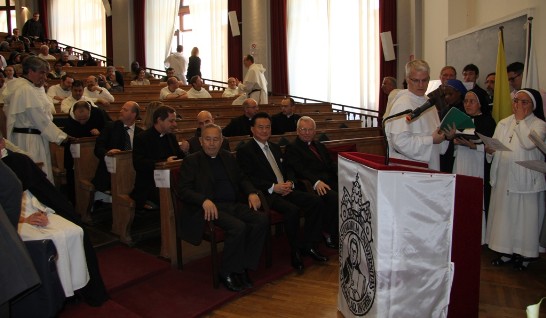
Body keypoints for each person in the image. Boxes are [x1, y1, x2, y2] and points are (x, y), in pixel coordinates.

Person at [1, 135, 109, 306]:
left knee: (75, 231)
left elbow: (39, 193)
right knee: (54, 238)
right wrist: (24, 219)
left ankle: (76, 287)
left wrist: (42, 210)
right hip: (12, 221)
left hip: (35, 209)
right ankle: (59, 293)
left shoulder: (18, 161)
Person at [178, 123, 268, 291]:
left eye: (216, 139)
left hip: (232, 205)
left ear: (221, 141)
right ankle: (226, 271)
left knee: (261, 219)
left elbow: (242, 178)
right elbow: (183, 190)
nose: (212, 143)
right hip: (210, 208)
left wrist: (251, 193)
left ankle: (242, 267)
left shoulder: (227, 157)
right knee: (238, 227)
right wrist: (203, 200)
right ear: (201, 141)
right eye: (208, 139)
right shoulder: (191, 161)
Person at [236, 112, 327, 273]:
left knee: (316, 201)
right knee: (292, 210)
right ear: (252, 129)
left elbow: (288, 169)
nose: (265, 131)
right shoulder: (245, 150)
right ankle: (295, 251)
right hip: (267, 194)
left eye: (268, 127)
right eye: (261, 127)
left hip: (285, 189)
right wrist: (273, 187)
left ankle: (309, 244)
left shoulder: (275, 147)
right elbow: (247, 177)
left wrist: (290, 182)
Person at [486, 88, 546, 271]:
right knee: (505, 216)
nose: (517, 105)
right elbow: (494, 144)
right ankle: (505, 251)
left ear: (533, 105)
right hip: (504, 175)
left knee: (524, 218)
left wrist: (520, 121)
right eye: (516, 101)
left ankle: (525, 255)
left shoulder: (539, 124)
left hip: (526, 178)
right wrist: (490, 151)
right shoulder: (504, 123)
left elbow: (528, 144)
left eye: (523, 102)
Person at [3, 56, 72, 183]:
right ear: (30, 71)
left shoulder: (22, 86)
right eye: (42, 73)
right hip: (30, 140)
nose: (45, 77)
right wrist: (62, 137)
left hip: (24, 137)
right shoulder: (26, 89)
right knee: (36, 176)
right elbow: (41, 120)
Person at [384, 59, 450, 171]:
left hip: (430, 165)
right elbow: (400, 142)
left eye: (424, 80)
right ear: (407, 80)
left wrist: (446, 136)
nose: (421, 85)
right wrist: (431, 140)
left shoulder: (428, 102)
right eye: (416, 80)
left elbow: (436, 136)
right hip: (410, 169)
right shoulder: (403, 104)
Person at [284, 116, 339, 249]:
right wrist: (316, 182)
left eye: (310, 130)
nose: (307, 132)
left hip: (329, 180)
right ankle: (328, 232)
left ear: (315, 131)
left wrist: (343, 173)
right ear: (297, 131)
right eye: (303, 129)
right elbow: (300, 170)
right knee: (333, 197)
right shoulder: (292, 147)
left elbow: (330, 164)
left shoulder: (319, 145)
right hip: (310, 185)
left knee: (349, 191)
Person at [452, 89, 496, 243]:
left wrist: (474, 146)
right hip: (461, 161)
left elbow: (492, 147)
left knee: (475, 199)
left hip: (477, 163)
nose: (467, 104)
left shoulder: (488, 121)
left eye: (472, 101)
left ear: (480, 104)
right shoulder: (460, 120)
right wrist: (454, 139)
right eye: (465, 101)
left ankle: (478, 236)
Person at [131, 105, 185, 211]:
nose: (175, 124)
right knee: (176, 197)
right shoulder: (142, 138)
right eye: (171, 121)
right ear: (159, 120)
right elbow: (138, 163)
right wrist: (164, 163)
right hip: (150, 184)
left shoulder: (171, 137)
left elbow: (181, 156)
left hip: (171, 180)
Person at [62, 100, 108, 203]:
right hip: (74, 157)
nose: (82, 122)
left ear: (90, 112)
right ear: (74, 114)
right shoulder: (70, 119)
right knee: (72, 180)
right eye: (79, 119)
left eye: (85, 118)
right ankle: (75, 204)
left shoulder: (98, 113)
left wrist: (99, 132)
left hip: (93, 156)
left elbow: (108, 129)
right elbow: (65, 137)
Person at [93, 101, 143, 193]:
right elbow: (98, 149)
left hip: (133, 173)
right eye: (121, 109)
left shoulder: (140, 133)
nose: (121, 111)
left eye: (125, 110)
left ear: (133, 114)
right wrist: (107, 153)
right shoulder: (110, 127)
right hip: (111, 172)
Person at [439, 79, 467, 173]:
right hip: (445, 150)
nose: (447, 97)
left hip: (460, 151)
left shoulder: (465, 110)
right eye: (445, 95)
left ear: (459, 93)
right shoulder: (445, 110)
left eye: (450, 94)